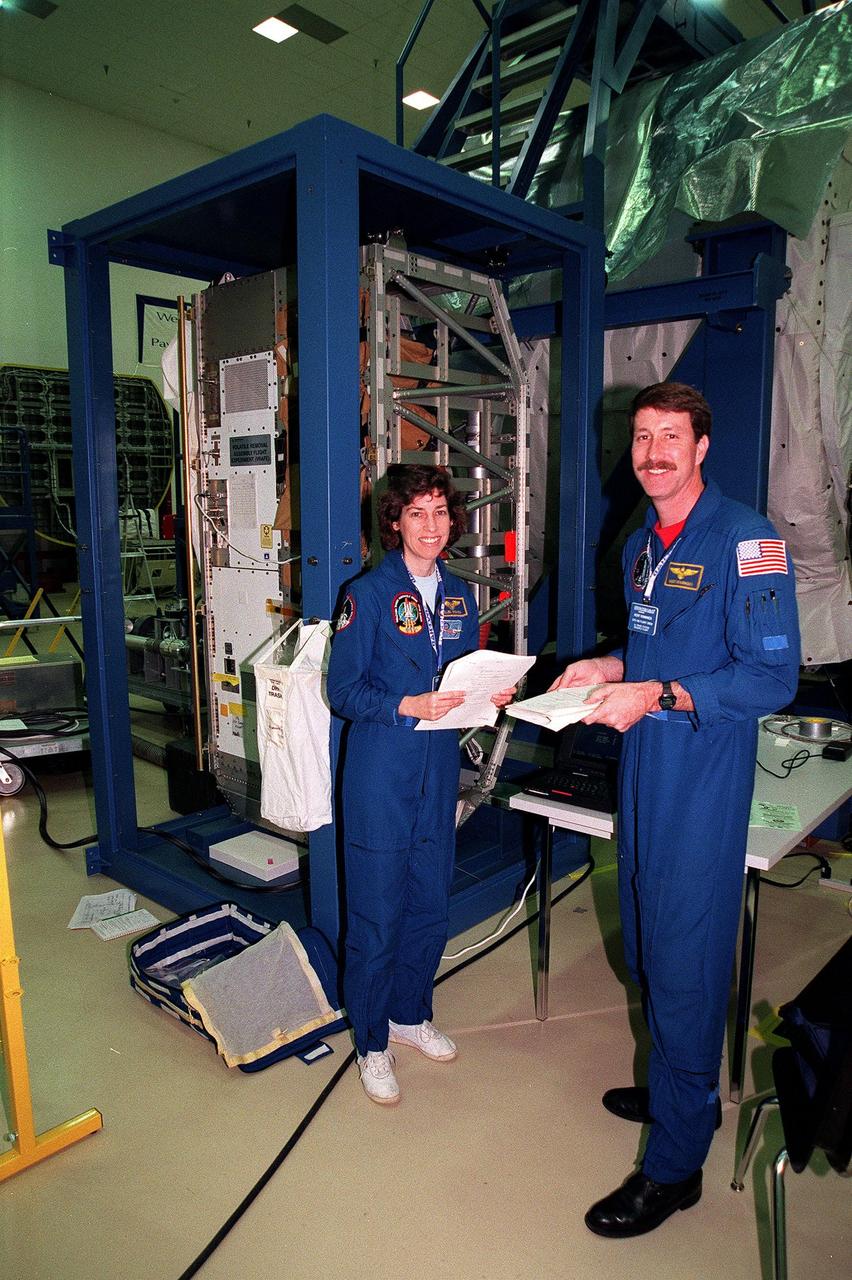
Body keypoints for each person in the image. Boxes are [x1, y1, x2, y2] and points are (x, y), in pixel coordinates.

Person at [551, 382, 800, 1236]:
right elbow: (654, 644)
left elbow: (770, 677)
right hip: (645, 766)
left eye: (670, 437)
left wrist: (655, 692)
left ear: (701, 448)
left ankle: (676, 1165)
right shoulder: (639, 544)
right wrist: (609, 667)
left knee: (686, 960)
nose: (653, 453)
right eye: (642, 437)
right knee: (648, 942)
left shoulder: (745, 541)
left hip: (701, 772)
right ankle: (675, 1088)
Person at [327, 464, 514, 1105]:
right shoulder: (366, 595)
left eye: (440, 512)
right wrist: (406, 705)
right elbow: (343, 691)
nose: (431, 526)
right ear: (395, 522)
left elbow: (462, 675)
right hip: (382, 771)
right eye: (417, 513)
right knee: (377, 914)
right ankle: (371, 1042)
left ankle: (410, 1014)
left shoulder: (459, 595)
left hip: (438, 770)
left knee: (430, 904)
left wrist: (491, 693)